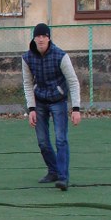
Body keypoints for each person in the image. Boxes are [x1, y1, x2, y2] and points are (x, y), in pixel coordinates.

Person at [22, 23, 82, 190]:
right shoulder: (27, 58)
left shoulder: (60, 56)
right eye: (38, 36)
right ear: (34, 39)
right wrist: (31, 108)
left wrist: (76, 109)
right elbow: (27, 83)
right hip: (40, 101)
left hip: (58, 100)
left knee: (61, 139)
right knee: (42, 141)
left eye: (44, 36)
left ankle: (63, 177)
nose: (41, 39)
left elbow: (73, 82)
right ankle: (53, 170)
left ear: (49, 38)